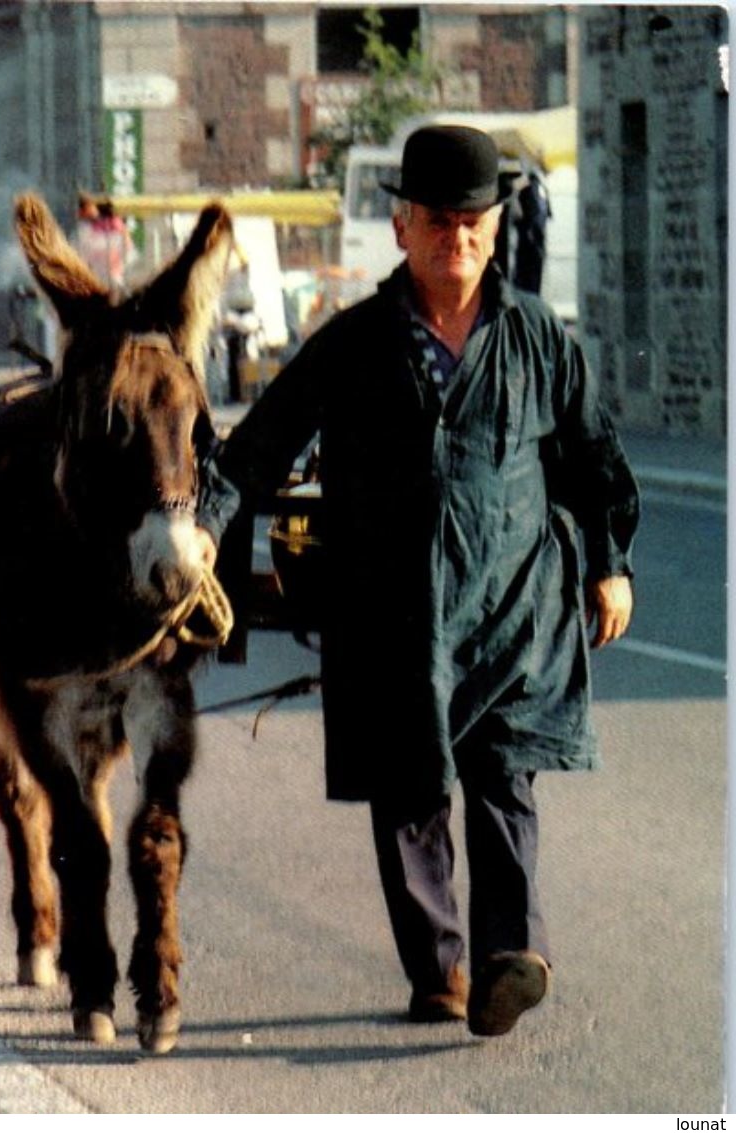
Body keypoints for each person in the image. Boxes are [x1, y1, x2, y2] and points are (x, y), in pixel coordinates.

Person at [194, 126, 639, 1037]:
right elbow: (259, 445)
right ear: (402, 227)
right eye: (439, 221)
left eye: (474, 222)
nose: (459, 239)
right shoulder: (352, 343)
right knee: (408, 792)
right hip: (391, 607)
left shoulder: (534, 340)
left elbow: (590, 458)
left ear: (493, 226)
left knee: (505, 779)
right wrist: (203, 530)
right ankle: (438, 968)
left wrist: (609, 565)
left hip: (511, 603)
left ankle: (510, 957)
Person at [74, 193, 135, 291]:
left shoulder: (114, 224)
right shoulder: (87, 228)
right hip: (99, 270)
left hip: (109, 270)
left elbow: (126, 246)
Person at [513, 169, 551, 296]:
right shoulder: (537, 188)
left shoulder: (533, 187)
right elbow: (543, 215)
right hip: (533, 240)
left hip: (531, 240)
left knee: (527, 275)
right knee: (531, 276)